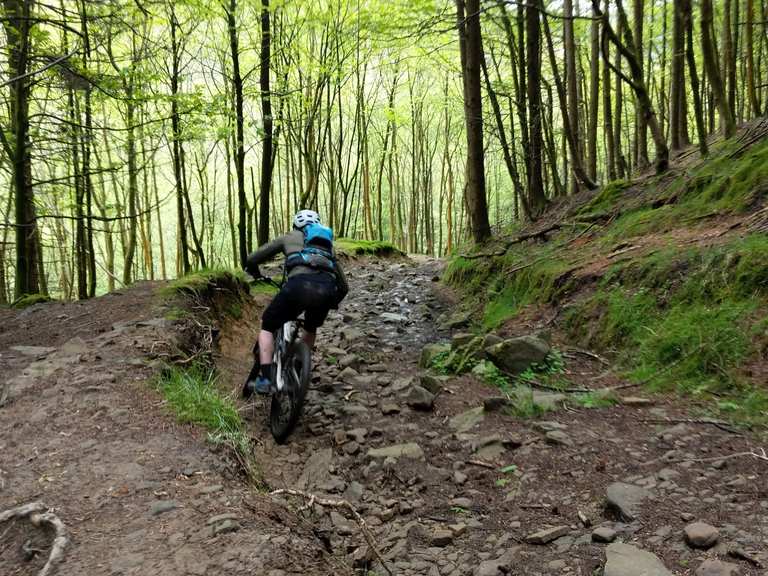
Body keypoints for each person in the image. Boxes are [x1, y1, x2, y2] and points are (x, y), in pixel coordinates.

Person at [242, 209, 348, 396]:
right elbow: (344, 287)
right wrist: (330, 302)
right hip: (326, 290)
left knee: (268, 325)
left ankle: (266, 380)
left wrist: (254, 270)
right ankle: (298, 368)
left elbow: (253, 258)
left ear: (296, 225)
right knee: (310, 328)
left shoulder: (289, 237)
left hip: (298, 286)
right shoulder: (328, 248)